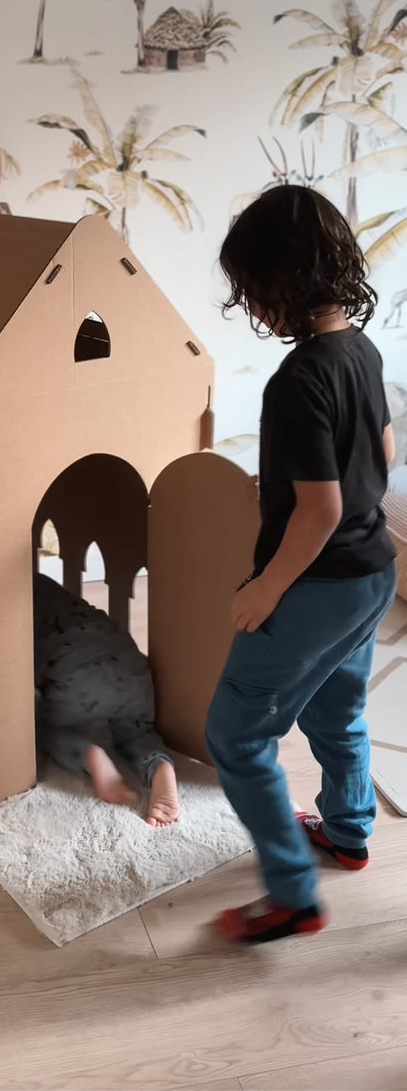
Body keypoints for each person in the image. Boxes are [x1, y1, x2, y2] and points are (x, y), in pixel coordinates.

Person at [206, 184, 397, 944]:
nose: (252, 305)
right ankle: (349, 833)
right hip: (372, 575)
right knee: (335, 709)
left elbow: (317, 514)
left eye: (250, 290)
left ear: (276, 283)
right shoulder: (361, 349)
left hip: (315, 587)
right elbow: (381, 453)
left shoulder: (297, 380)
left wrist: (263, 589)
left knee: (236, 733)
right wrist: (296, 482)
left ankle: (292, 895)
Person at [33, 571, 180, 826]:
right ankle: (158, 766)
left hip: (74, 679)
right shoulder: (46, 585)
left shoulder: (7, 602)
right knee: (136, 732)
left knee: (44, 727)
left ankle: (89, 753)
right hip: (130, 668)